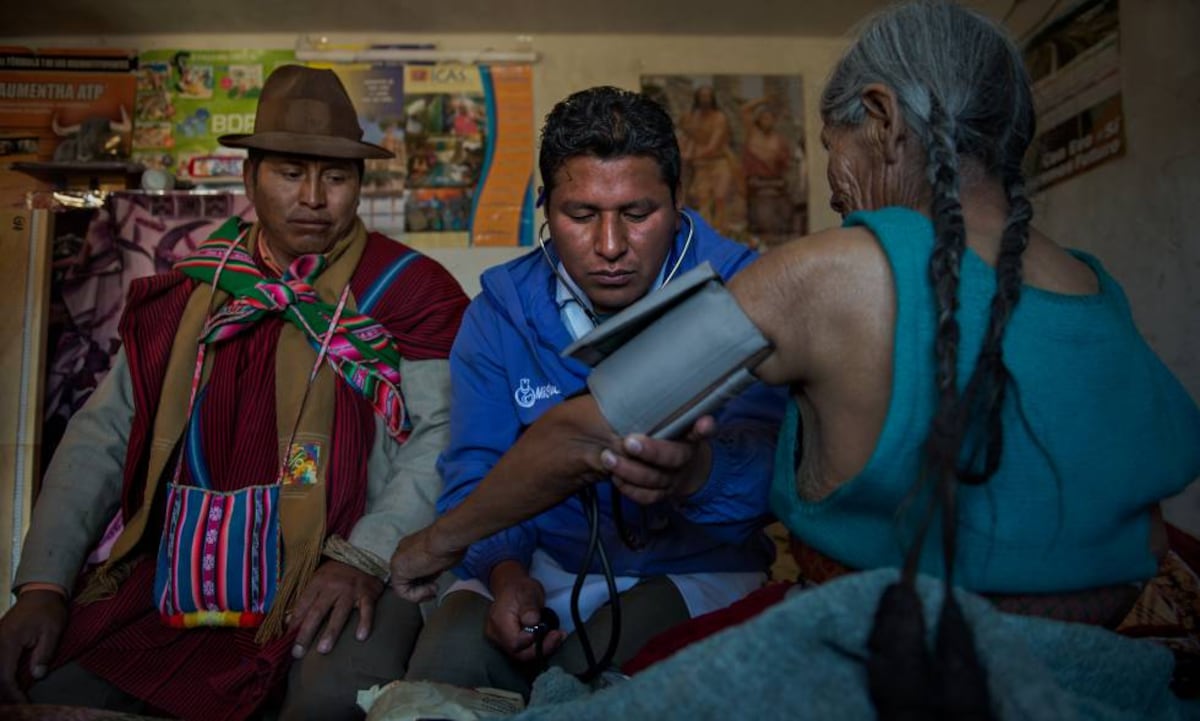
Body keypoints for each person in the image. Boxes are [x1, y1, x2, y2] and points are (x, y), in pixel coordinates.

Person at [391, 2, 1200, 713]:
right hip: (1095, 657)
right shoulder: (1093, 284)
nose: (836, 187)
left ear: (880, 117)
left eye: (829, 144)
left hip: (897, 661)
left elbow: (584, 433)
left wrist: (431, 545)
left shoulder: (828, 272)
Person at [0, 65, 469, 721]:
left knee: (330, 699)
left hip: (343, 565)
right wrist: (42, 583)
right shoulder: (188, 294)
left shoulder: (406, 291)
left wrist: (366, 553)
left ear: (360, 185)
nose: (313, 197)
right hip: (183, 568)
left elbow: (440, 434)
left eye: (335, 177)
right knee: (49, 689)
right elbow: (100, 438)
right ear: (249, 178)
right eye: (289, 173)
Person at [402, 86, 785, 697]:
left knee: (586, 684)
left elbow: (782, 470)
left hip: (698, 565)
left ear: (679, 203)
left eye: (638, 214)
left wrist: (696, 474)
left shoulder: (750, 292)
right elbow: (475, 466)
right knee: (443, 673)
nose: (610, 247)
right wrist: (504, 571)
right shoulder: (497, 315)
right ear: (544, 209)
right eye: (580, 215)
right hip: (542, 564)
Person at [679, 85, 741, 232]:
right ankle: (705, 234)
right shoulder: (692, 117)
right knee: (703, 200)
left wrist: (690, 156)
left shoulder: (719, 118)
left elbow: (714, 144)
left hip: (720, 162)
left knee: (720, 198)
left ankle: (721, 232)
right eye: (702, 96)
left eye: (707, 96)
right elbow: (686, 138)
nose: (704, 99)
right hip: (701, 165)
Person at [739, 97, 794, 247]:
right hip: (755, 186)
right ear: (758, 120)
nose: (767, 121)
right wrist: (763, 99)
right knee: (759, 218)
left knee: (776, 219)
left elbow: (786, 164)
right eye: (763, 118)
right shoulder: (752, 134)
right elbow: (744, 110)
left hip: (774, 185)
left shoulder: (779, 140)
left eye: (770, 118)